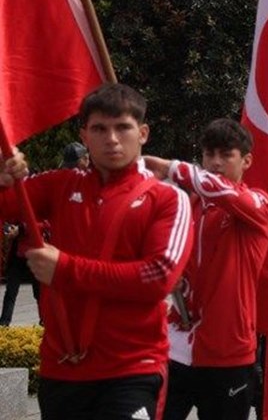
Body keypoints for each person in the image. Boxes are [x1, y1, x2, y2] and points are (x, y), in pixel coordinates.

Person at [0, 83, 194, 419]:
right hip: (62, 369)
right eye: (100, 129)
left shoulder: (166, 198)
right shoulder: (61, 184)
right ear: (84, 135)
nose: (112, 139)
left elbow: (158, 276)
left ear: (143, 132)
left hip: (131, 368)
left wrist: (65, 269)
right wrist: (3, 180)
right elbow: (5, 207)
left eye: (123, 127)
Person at [139, 119, 268, 420]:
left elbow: (224, 192)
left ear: (247, 160)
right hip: (177, 347)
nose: (215, 163)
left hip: (228, 351)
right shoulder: (188, 204)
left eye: (226, 155)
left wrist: (171, 168)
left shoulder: (258, 204)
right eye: (209, 154)